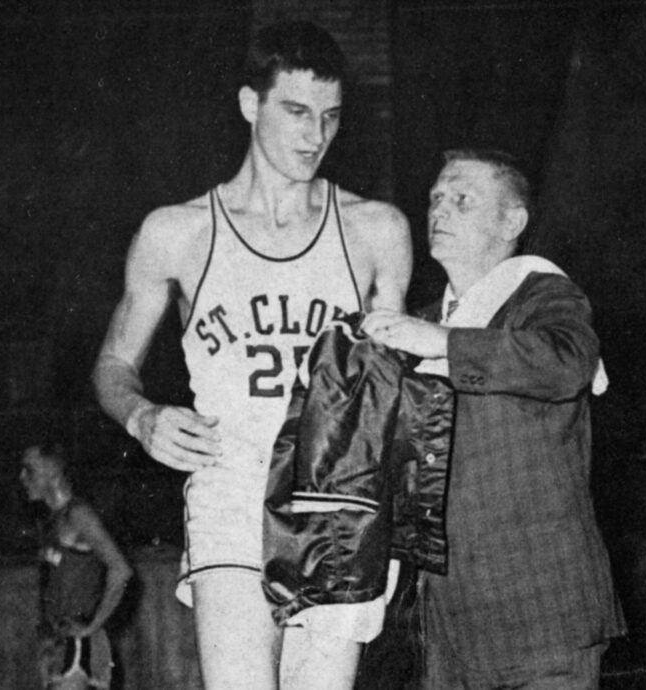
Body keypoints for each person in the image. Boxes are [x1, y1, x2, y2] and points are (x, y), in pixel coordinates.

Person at [91, 19, 411, 689]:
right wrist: (143, 417)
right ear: (249, 105)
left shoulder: (376, 231)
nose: (314, 134)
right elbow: (114, 366)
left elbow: (392, 387)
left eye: (329, 116)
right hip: (232, 489)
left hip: (335, 502)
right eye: (296, 111)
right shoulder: (177, 233)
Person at [363, 148, 625, 689]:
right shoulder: (425, 321)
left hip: (543, 618)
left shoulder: (543, 293)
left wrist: (443, 344)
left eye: (463, 200)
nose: (440, 212)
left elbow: (567, 362)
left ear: (512, 221)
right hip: (450, 627)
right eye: (436, 199)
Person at [19, 441, 132, 690]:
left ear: (53, 469)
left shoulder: (78, 514)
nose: (22, 477)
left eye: (29, 470)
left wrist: (93, 626)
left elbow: (121, 569)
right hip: (58, 641)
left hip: (78, 642)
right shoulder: (52, 520)